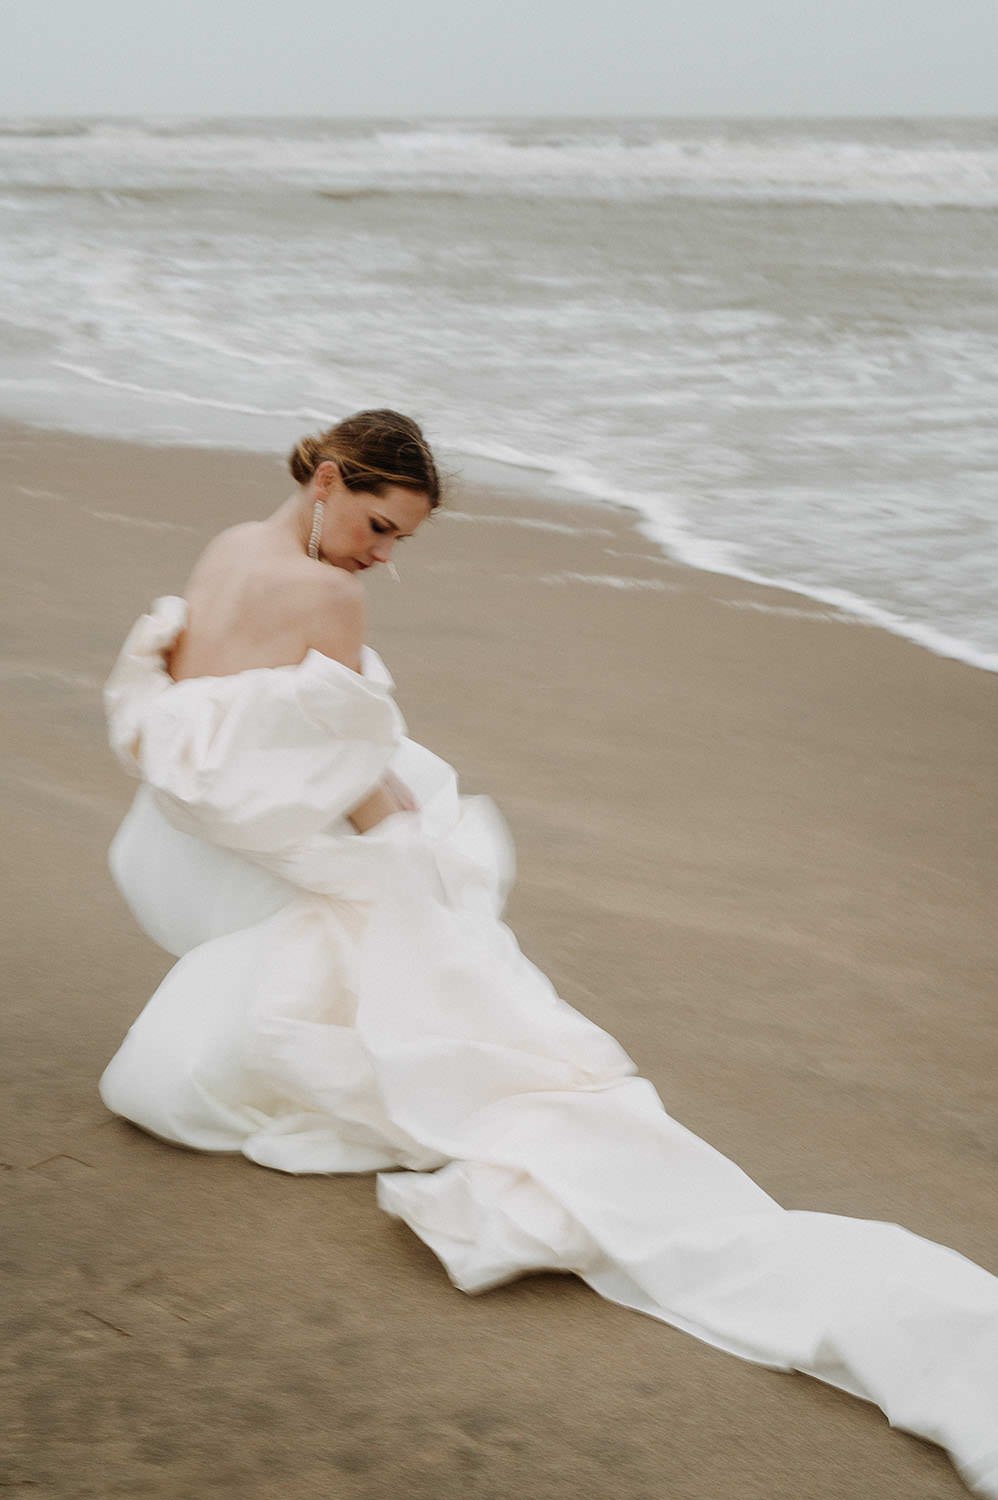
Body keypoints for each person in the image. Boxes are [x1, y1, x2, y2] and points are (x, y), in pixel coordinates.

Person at [100, 408, 997, 1498]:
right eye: (378, 527)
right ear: (328, 481)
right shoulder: (330, 595)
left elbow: (206, 704)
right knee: (438, 901)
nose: (381, 558)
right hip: (291, 821)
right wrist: (420, 872)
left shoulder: (226, 548)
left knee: (409, 894)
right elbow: (348, 765)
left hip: (214, 817)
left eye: (400, 543)